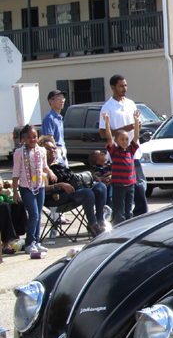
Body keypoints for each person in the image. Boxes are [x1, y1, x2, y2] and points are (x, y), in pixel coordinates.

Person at [99, 75, 148, 216]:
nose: (124, 89)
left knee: (139, 185)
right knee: (121, 189)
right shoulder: (107, 107)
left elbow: (136, 125)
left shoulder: (131, 103)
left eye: (125, 85)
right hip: (118, 154)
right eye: (121, 86)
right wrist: (124, 128)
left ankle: (140, 214)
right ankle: (119, 217)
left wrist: (137, 125)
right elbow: (103, 133)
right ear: (113, 87)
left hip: (133, 152)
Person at [41, 138, 108, 238]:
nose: (52, 150)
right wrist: (60, 184)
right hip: (55, 197)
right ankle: (92, 224)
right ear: (41, 151)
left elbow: (71, 177)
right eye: (48, 149)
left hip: (72, 191)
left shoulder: (59, 163)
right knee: (87, 193)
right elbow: (44, 188)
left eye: (54, 148)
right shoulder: (42, 167)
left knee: (100, 186)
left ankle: (100, 221)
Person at [12, 125, 57, 256]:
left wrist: (50, 172)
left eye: (35, 137)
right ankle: (29, 242)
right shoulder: (19, 152)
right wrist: (15, 191)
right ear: (23, 138)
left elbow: (44, 166)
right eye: (29, 137)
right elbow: (15, 173)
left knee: (38, 214)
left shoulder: (41, 151)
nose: (32, 140)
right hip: (26, 187)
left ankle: (36, 241)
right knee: (34, 214)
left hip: (39, 186)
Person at [104, 109, 141, 225]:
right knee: (119, 209)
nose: (125, 141)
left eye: (126, 139)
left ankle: (129, 227)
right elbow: (109, 138)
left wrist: (136, 120)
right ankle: (117, 226)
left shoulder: (131, 149)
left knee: (128, 209)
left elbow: (136, 136)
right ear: (116, 141)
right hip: (119, 185)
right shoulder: (114, 151)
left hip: (130, 184)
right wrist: (107, 123)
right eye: (122, 139)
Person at [41, 89, 68, 165]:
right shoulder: (49, 117)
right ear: (51, 101)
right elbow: (49, 137)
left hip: (62, 148)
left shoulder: (59, 117)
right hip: (55, 149)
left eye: (63, 98)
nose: (62, 101)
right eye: (59, 98)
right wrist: (54, 150)